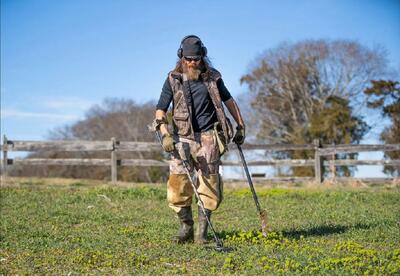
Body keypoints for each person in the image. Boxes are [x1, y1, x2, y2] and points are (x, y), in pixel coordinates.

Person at [154, 35, 245, 244]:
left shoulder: (213, 77)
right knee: (178, 185)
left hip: (209, 138)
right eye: (188, 58)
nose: (192, 62)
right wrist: (165, 134)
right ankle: (186, 227)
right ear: (181, 57)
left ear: (203, 56)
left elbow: (229, 101)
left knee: (209, 184)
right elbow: (161, 109)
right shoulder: (173, 78)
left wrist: (241, 125)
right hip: (181, 139)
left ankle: (201, 234)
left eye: (196, 58)